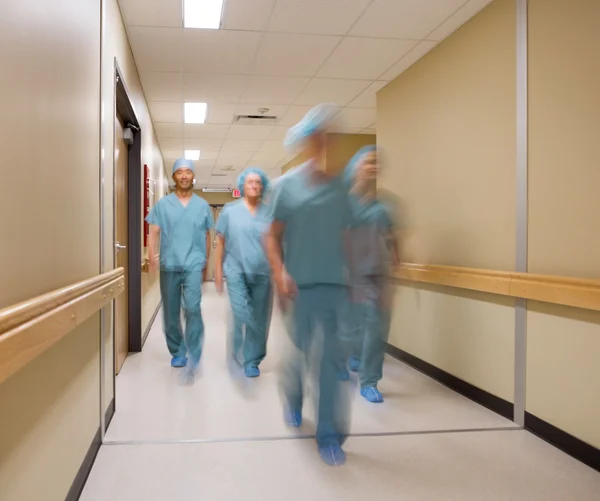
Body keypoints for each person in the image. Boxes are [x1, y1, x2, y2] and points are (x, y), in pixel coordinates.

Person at [264, 103, 354, 467]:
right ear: (304, 142)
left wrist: (355, 278)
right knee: (297, 354)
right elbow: (271, 237)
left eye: (326, 136)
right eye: (314, 136)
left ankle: (329, 435)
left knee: (331, 363)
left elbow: (347, 235)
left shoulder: (341, 189)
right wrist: (280, 271)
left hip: (335, 285)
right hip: (297, 287)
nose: (321, 142)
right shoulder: (285, 187)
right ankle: (293, 398)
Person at [146, 158, 213, 378]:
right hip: (170, 263)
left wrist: (205, 264)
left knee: (193, 307)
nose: (184, 176)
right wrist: (150, 256)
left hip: (193, 264)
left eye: (188, 172)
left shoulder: (202, 206)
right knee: (171, 311)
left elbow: (206, 235)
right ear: (174, 176)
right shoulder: (163, 205)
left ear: (193, 176)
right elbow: (153, 232)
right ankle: (178, 351)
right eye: (179, 172)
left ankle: (194, 349)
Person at [344, 145, 400, 403]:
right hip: (349, 275)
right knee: (352, 326)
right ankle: (353, 356)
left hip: (378, 275)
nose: (373, 166)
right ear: (356, 167)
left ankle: (369, 381)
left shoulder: (384, 206)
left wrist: (397, 261)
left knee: (376, 329)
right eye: (367, 162)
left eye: (376, 162)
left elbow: (391, 237)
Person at [214, 167, 273, 378]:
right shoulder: (229, 211)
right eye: (250, 182)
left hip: (263, 272)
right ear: (242, 185)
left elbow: (277, 243)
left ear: (262, 186)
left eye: (258, 182)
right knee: (241, 313)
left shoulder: (270, 212)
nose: (254, 186)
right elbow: (220, 242)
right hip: (236, 270)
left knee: (259, 318)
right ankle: (238, 348)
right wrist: (218, 271)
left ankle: (253, 360)